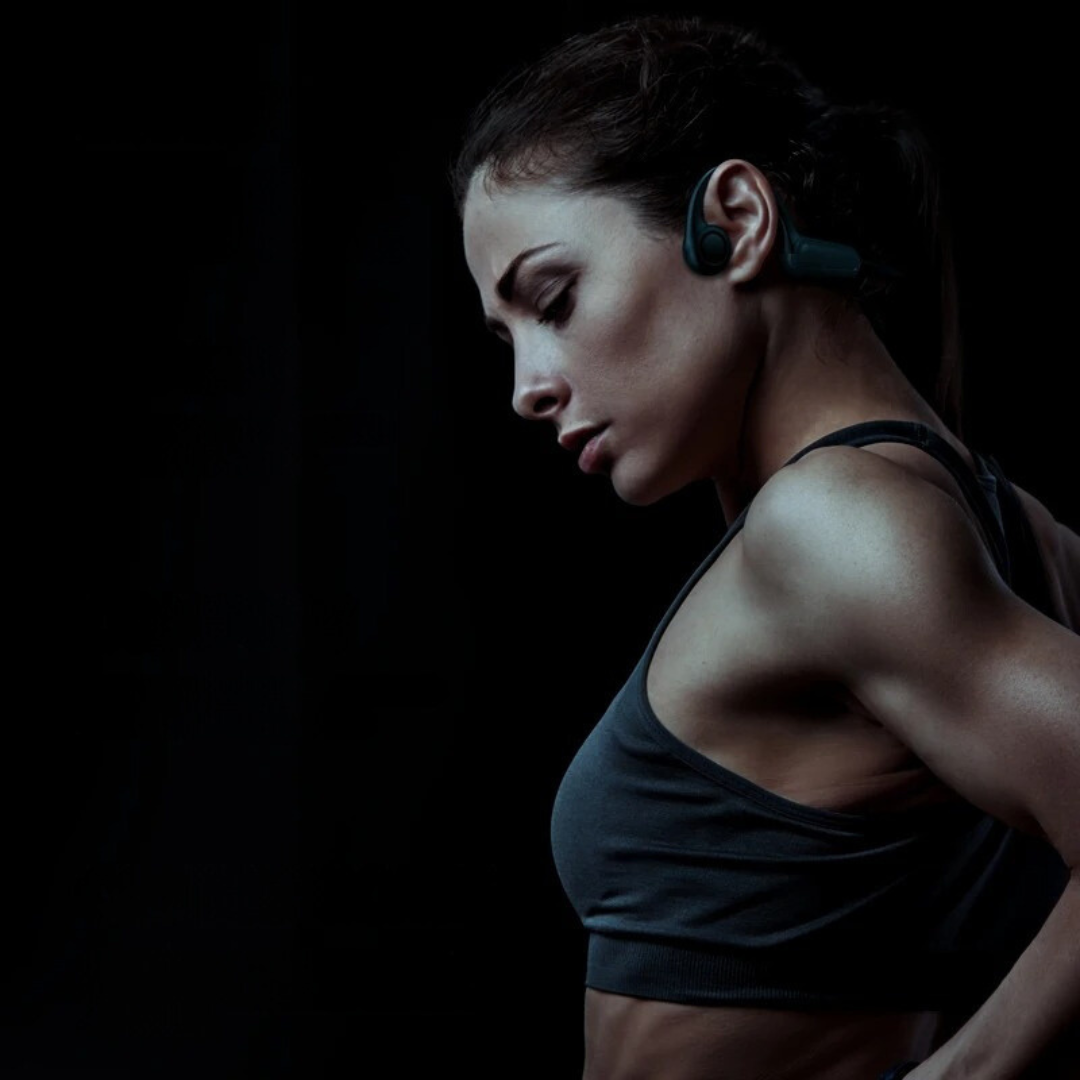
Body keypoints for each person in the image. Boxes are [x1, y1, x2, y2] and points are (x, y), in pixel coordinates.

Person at [450, 14, 1080, 1080]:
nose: (527, 388)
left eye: (554, 298)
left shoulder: (832, 525)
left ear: (736, 221)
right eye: (508, 339)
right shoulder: (1021, 529)